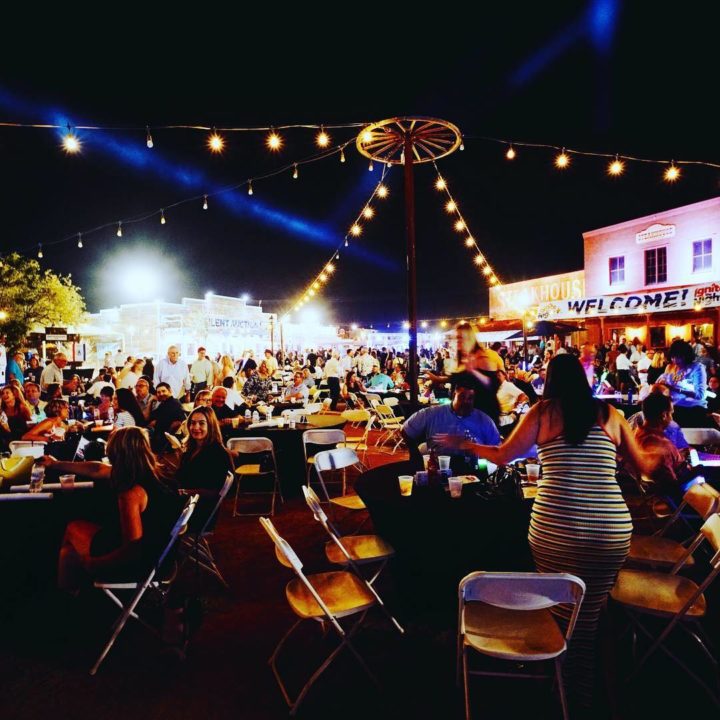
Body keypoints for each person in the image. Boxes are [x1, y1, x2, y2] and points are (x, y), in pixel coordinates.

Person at [439, 353, 655, 709]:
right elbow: (643, 467)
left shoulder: (542, 412)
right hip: (611, 530)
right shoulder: (611, 416)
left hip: (557, 527)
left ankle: (565, 684)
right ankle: (579, 682)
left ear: (551, 381)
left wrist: (466, 445)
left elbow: (503, 455)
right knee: (588, 609)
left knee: (564, 605)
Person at [48, 426, 182, 592]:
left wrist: (95, 563)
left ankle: (67, 596)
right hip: (165, 554)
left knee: (72, 529)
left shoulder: (132, 494)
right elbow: (97, 469)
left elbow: (132, 551)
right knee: (69, 551)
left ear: (118, 455)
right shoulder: (160, 474)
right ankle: (72, 592)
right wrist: (55, 464)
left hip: (143, 565)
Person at [402, 378, 501, 471]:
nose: (466, 401)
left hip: (472, 471)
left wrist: (471, 446)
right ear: (454, 394)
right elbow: (406, 430)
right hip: (439, 469)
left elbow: (497, 449)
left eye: (470, 398)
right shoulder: (432, 413)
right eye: (462, 396)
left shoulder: (484, 420)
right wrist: (414, 454)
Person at [170, 406, 234, 529]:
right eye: (192, 423)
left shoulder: (217, 453)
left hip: (198, 512)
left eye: (201, 423)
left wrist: (185, 492)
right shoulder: (191, 449)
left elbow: (214, 492)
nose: (196, 427)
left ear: (210, 426)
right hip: (186, 503)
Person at [657, 339, 708, 427]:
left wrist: (675, 389)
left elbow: (700, 395)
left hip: (692, 410)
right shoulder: (670, 367)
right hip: (673, 410)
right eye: (673, 357)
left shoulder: (696, 368)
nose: (675, 360)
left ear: (686, 356)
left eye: (678, 357)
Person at [148, 382, 187, 454]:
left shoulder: (174, 403)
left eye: (163, 391)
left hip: (165, 440)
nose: (161, 394)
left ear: (170, 391)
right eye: (159, 392)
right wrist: (150, 402)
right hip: (159, 435)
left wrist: (157, 423)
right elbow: (150, 417)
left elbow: (178, 422)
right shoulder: (163, 404)